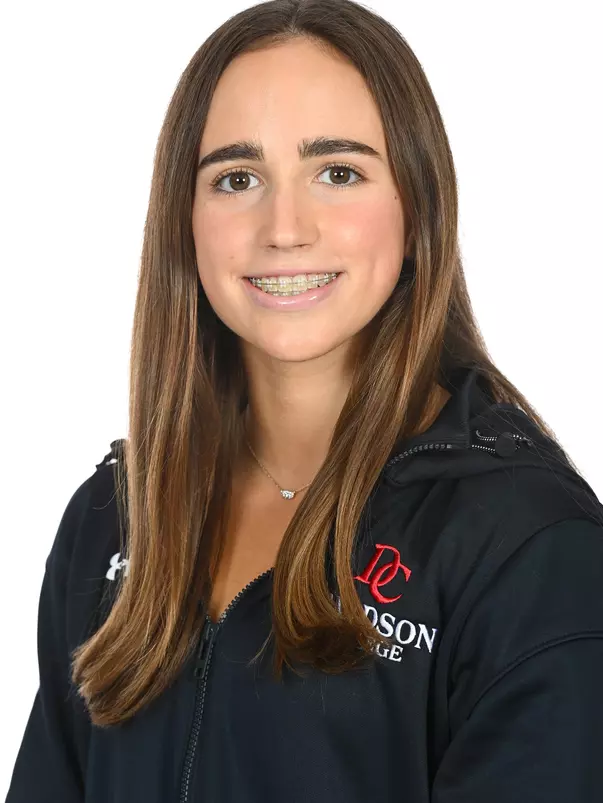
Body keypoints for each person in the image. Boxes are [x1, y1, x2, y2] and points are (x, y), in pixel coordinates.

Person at [6, 1, 603, 801]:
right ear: (185, 221)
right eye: (237, 178)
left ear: (417, 205)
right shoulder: (113, 519)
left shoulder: (528, 549)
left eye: (338, 172)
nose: (283, 228)